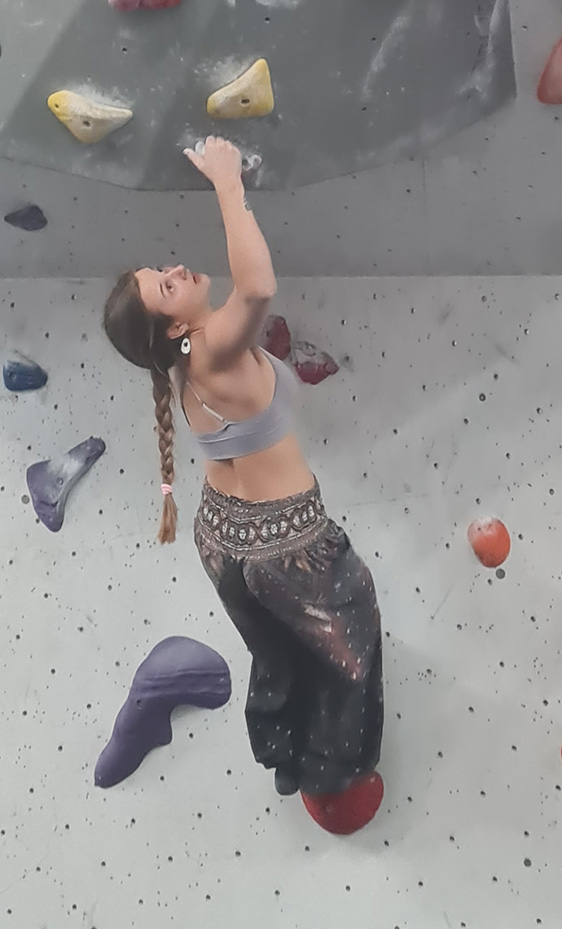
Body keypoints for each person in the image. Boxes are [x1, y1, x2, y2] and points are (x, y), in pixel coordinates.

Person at [102, 136, 384, 833]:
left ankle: (285, 750)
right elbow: (256, 286)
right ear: (175, 324)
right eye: (164, 284)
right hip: (286, 546)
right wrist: (227, 180)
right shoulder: (214, 348)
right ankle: (334, 773)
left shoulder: (176, 360)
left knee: (278, 649)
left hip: (224, 536)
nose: (174, 268)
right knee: (348, 639)